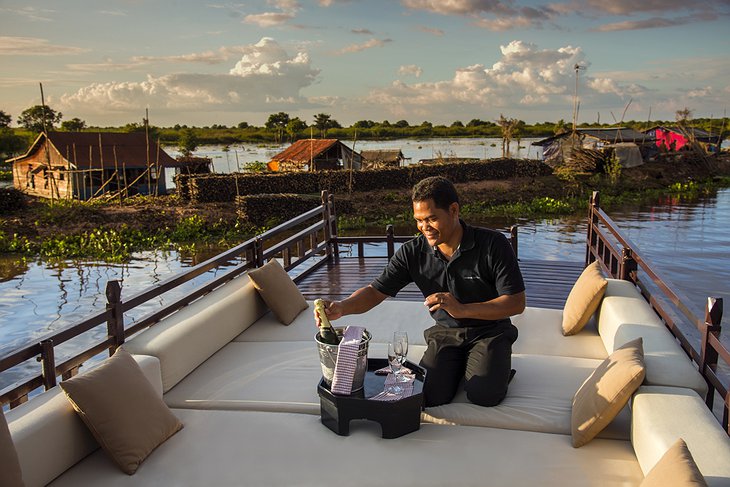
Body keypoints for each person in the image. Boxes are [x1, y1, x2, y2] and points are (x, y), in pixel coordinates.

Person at [318, 176, 525, 407]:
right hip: (446, 333)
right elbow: (375, 291)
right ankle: (464, 368)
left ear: (454, 210)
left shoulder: (493, 244)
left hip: (491, 331)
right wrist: (342, 307)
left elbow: (516, 303)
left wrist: (462, 308)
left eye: (432, 219)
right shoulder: (412, 252)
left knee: (484, 395)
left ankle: (494, 367)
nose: (424, 228)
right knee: (429, 396)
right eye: (419, 220)